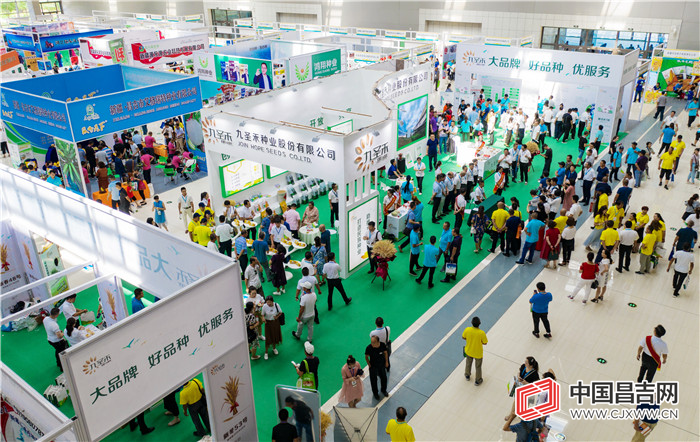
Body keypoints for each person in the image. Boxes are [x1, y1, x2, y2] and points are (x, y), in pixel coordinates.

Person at [462, 316, 487, 384]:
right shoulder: (481, 333)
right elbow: (485, 342)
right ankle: (478, 380)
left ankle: (467, 375)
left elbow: (463, 337)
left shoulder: (467, 329)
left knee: (468, 363)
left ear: (471, 322)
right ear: (480, 323)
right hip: (478, 353)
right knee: (478, 367)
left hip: (469, 350)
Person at [365, 335, 389, 401]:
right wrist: (369, 364)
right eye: (371, 342)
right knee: (373, 381)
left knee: (384, 378)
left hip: (381, 365)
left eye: (373, 342)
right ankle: (375, 393)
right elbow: (366, 357)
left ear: (378, 342)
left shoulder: (382, 345)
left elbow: (385, 353)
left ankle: (383, 390)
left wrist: (386, 362)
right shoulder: (369, 348)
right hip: (373, 366)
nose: (372, 344)